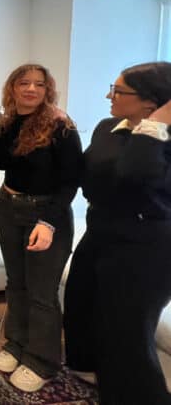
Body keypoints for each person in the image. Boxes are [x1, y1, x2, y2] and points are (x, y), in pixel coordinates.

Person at [64, 62, 171, 404]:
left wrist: (154, 127)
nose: (109, 96)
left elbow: (136, 173)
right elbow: (88, 176)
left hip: (146, 248)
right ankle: (99, 380)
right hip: (100, 232)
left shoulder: (163, 140)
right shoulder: (108, 127)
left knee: (126, 335)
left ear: (150, 103)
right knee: (80, 307)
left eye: (119, 91)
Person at [0, 63, 82, 392]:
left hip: (45, 213)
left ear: (48, 90)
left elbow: (71, 181)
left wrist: (48, 223)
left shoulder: (61, 125)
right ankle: (17, 343)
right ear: (12, 88)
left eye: (39, 84)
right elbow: (1, 162)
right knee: (16, 283)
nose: (31, 89)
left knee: (42, 292)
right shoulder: (9, 122)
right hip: (8, 207)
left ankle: (42, 361)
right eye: (24, 83)